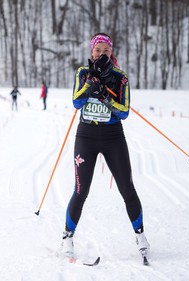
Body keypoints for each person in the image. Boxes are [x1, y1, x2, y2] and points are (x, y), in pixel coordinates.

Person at [62, 33, 150, 259]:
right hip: (86, 137)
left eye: (106, 51)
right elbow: (76, 101)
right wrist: (92, 85)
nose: (102, 54)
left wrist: (107, 99)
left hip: (113, 137)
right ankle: (67, 237)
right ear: (92, 52)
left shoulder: (120, 77)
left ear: (112, 53)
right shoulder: (83, 73)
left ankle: (140, 235)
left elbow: (124, 112)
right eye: (98, 51)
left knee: (127, 188)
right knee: (81, 190)